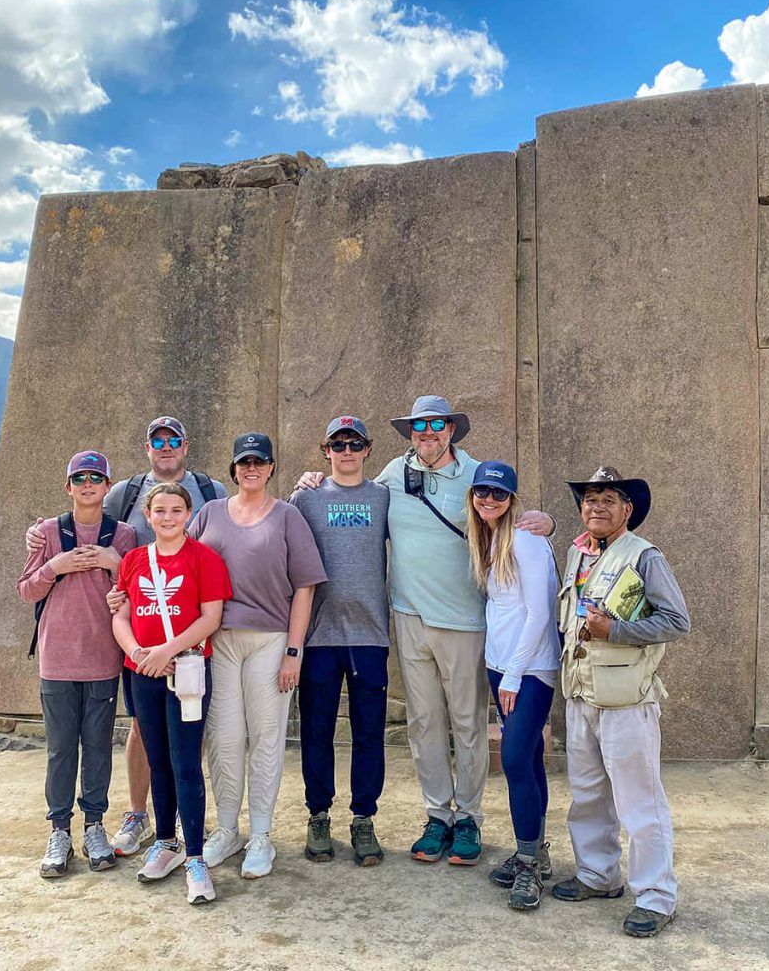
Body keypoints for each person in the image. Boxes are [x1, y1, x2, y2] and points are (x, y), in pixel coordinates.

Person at [296, 395, 555, 866]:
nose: (427, 433)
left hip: (464, 621)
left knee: (468, 724)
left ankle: (469, 817)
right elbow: (349, 499)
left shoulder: (475, 474)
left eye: (437, 425)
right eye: (419, 426)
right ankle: (437, 815)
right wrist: (310, 479)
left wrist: (548, 520)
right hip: (408, 617)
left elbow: (506, 508)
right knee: (424, 724)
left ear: (452, 429)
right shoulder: (393, 475)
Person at [26, 416, 227, 858]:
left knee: (182, 738)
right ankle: (137, 814)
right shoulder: (126, 495)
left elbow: (139, 561)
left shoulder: (213, 492)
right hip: (131, 641)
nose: (166, 446)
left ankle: (178, 824)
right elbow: (110, 546)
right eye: (158, 440)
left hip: (183, 642)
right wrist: (48, 551)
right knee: (142, 728)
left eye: (174, 440)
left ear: (186, 446)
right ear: (148, 447)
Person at [550, 466, 691, 938]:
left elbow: (676, 621)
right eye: (590, 498)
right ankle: (598, 874)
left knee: (640, 801)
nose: (596, 506)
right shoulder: (577, 555)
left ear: (627, 510)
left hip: (627, 700)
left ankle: (655, 897)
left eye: (608, 498)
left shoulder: (645, 557)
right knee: (588, 794)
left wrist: (619, 631)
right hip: (582, 694)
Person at [190, 433, 327, 879]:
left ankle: (262, 835)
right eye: (244, 462)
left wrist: (294, 651)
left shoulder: (288, 517)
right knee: (225, 738)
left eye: (260, 462)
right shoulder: (209, 513)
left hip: (270, 640)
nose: (252, 468)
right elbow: (179, 563)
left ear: (271, 468)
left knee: (266, 738)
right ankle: (227, 828)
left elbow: (305, 586)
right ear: (233, 469)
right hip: (220, 641)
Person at [16, 450, 136, 878]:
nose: (88, 485)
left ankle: (94, 826)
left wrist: (116, 564)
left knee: (99, 747)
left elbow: (139, 590)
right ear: (68, 487)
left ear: (108, 487)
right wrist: (54, 565)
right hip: (57, 659)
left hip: (103, 658)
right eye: (80, 478)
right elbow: (27, 589)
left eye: (96, 478)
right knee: (61, 750)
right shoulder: (49, 532)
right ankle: (59, 830)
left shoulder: (122, 535)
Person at [112, 482, 232, 905]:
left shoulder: (204, 558)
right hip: (142, 670)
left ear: (187, 514)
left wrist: (167, 650)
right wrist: (138, 653)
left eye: (176, 510)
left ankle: (195, 856)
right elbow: (122, 615)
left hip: (187, 670)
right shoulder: (134, 561)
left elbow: (210, 617)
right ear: (148, 515)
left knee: (185, 763)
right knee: (157, 760)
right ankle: (164, 841)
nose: (167, 517)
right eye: (159, 510)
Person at [289, 416, 390, 866]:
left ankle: (364, 819)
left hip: (370, 635)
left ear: (368, 449)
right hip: (319, 636)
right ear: (325, 450)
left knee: (369, 733)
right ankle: (319, 815)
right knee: (317, 732)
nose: (347, 451)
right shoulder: (305, 498)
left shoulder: (385, 497)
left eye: (355, 443)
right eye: (338, 444)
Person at [465, 461, 561, 911]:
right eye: (482, 491)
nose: (489, 500)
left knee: (516, 759)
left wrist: (516, 674)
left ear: (512, 500)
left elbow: (539, 614)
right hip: (500, 665)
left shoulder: (527, 540)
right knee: (529, 759)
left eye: (498, 495)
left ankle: (527, 866)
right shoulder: (489, 538)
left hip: (528, 670)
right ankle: (535, 853)